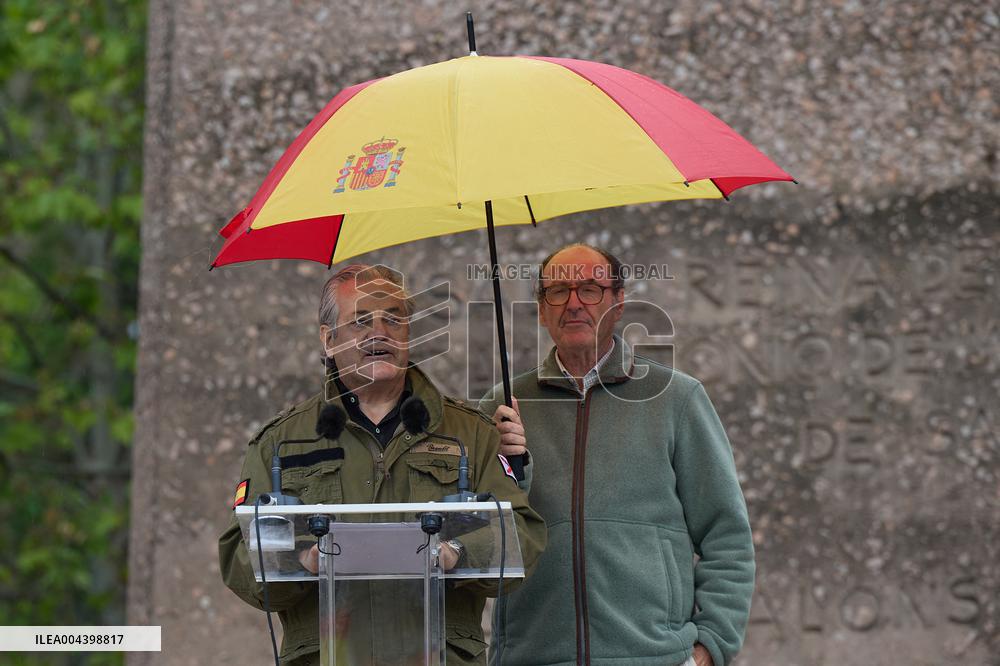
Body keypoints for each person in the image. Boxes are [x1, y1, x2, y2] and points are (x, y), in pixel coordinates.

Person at [219, 264, 546, 666]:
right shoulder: (281, 442)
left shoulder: (470, 434)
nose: (380, 332)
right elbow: (238, 555)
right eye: (360, 322)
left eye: (394, 319)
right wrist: (305, 559)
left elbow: (523, 533)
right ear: (328, 339)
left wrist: (454, 552)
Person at [480, 244, 754, 666]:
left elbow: (727, 536)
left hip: (652, 658)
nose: (573, 303)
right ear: (540, 308)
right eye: (557, 291)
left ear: (619, 302)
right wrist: (507, 472)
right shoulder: (502, 408)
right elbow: (475, 539)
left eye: (589, 289)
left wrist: (709, 649)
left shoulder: (677, 399)